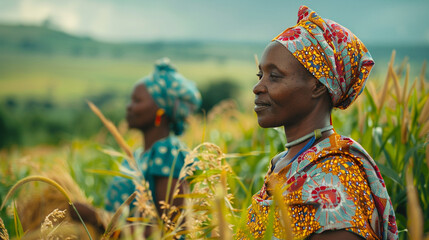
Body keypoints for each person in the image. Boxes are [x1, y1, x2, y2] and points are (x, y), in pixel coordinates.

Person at [236, 6, 398, 240]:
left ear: (319, 85)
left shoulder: (336, 174)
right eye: (260, 75)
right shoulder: (282, 164)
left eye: (275, 76)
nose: (258, 87)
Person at [71, 58, 201, 235]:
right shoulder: (140, 155)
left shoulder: (168, 154)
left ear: (160, 110)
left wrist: (96, 217)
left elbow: (170, 231)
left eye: (137, 101)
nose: (129, 107)